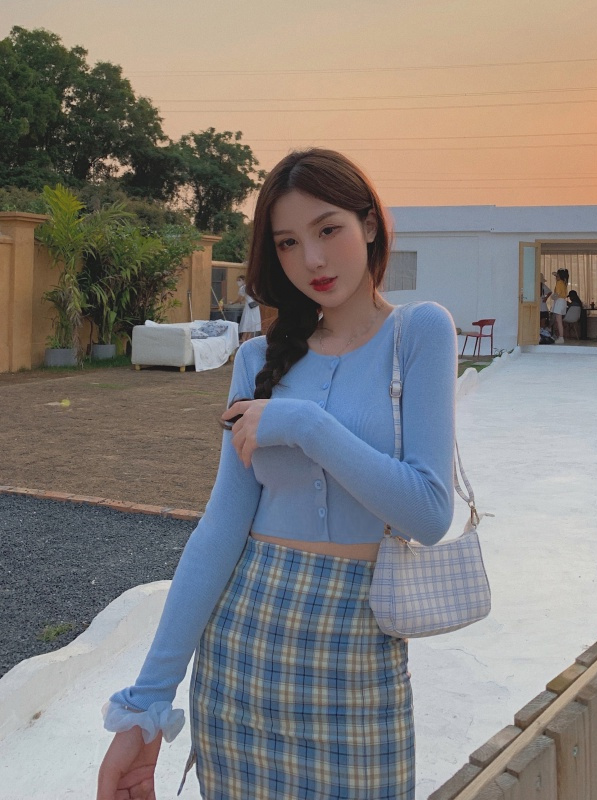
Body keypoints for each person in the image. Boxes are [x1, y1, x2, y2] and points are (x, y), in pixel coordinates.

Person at [96, 149, 458, 800]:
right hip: (239, 661)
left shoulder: (419, 333)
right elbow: (220, 530)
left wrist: (305, 425)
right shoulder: (257, 359)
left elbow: (429, 513)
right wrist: (146, 705)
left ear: (369, 225)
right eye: (288, 243)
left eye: (328, 229)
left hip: (358, 659)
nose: (312, 259)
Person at [234, 273, 262, 342]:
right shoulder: (251, 286)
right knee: (252, 322)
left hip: (249, 307)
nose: (238, 282)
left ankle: (244, 338)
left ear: (244, 280)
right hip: (255, 306)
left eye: (239, 280)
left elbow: (240, 299)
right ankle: (248, 338)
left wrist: (233, 303)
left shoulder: (243, 288)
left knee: (246, 321)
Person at [551, 268, 569, 344]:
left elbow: (557, 294)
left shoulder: (559, 283)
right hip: (563, 302)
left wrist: (552, 297)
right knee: (558, 320)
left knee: (558, 321)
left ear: (559, 275)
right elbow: (554, 273)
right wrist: (557, 274)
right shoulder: (564, 282)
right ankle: (559, 336)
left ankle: (561, 337)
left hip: (559, 301)